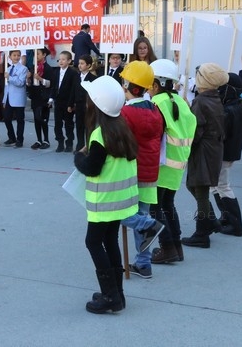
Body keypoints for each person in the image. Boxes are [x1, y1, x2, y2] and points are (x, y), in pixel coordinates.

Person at [74, 75, 138, 314]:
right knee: (109, 241)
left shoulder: (99, 135)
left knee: (93, 242)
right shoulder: (121, 127)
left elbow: (91, 167)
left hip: (104, 202)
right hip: (120, 201)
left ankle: (111, 296)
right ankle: (117, 293)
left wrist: (79, 156)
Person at [118, 61, 165, 278]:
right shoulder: (155, 110)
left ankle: (151, 225)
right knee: (141, 214)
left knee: (116, 212)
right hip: (150, 173)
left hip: (131, 171)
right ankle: (144, 264)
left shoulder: (126, 113)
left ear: (129, 85)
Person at [148, 59, 197, 263]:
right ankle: (176, 247)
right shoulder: (181, 102)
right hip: (178, 164)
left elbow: (152, 134)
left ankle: (167, 248)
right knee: (168, 204)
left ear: (156, 84)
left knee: (155, 208)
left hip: (161, 164)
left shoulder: (157, 103)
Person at [180, 63, 228, 248]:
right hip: (212, 149)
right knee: (198, 187)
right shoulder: (214, 97)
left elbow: (196, 130)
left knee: (198, 188)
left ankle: (202, 233)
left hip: (203, 150)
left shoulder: (201, 101)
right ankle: (211, 221)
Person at [211, 73, 242, 236]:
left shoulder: (229, 109)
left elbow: (220, 133)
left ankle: (235, 224)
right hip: (230, 152)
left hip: (224, 153)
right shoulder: (239, 105)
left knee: (223, 186)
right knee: (217, 186)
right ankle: (227, 217)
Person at [51, 51, 78, 153]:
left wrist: (71, 104)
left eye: (63, 59)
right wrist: (51, 98)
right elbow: (54, 86)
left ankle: (69, 143)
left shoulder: (73, 73)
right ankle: (60, 142)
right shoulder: (56, 72)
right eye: (60, 59)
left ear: (69, 61)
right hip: (58, 101)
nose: (61, 61)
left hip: (67, 102)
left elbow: (73, 90)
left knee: (68, 124)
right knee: (57, 123)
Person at [28, 47, 54, 149]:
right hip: (35, 96)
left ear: (44, 55)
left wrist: (40, 79)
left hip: (44, 97)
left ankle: (46, 140)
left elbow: (50, 84)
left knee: (42, 118)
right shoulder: (33, 67)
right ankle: (38, 139)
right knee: (36, 118)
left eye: (38, 54)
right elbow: (29, 84)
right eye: (35, 54)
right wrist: (28, 79)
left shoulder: (48, 68)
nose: (36, 56)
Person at [3, 50, 29, 148]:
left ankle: (19, 139)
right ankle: (11, 137)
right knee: (6, 118)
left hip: (19, 97)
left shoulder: (23, 68)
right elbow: (7, 86)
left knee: (20, 120)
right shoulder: (8, 68)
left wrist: (10, 78)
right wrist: (4, 99)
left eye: (18, 55)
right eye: (14, 55)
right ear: (10, 57)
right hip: (9, 97)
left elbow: (21, 82)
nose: (16, 57)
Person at [74, 55, 97, 152]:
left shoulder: (92, 78)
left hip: (88, 106)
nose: (80, 65)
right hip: (78, 105)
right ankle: (79, 145)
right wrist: (71, 104)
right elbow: (73, 90)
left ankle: (88, 146)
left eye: (82, 63)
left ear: (88, 65)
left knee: (88, 126)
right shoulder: (76, 76)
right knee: (79, 126)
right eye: (79, 63)